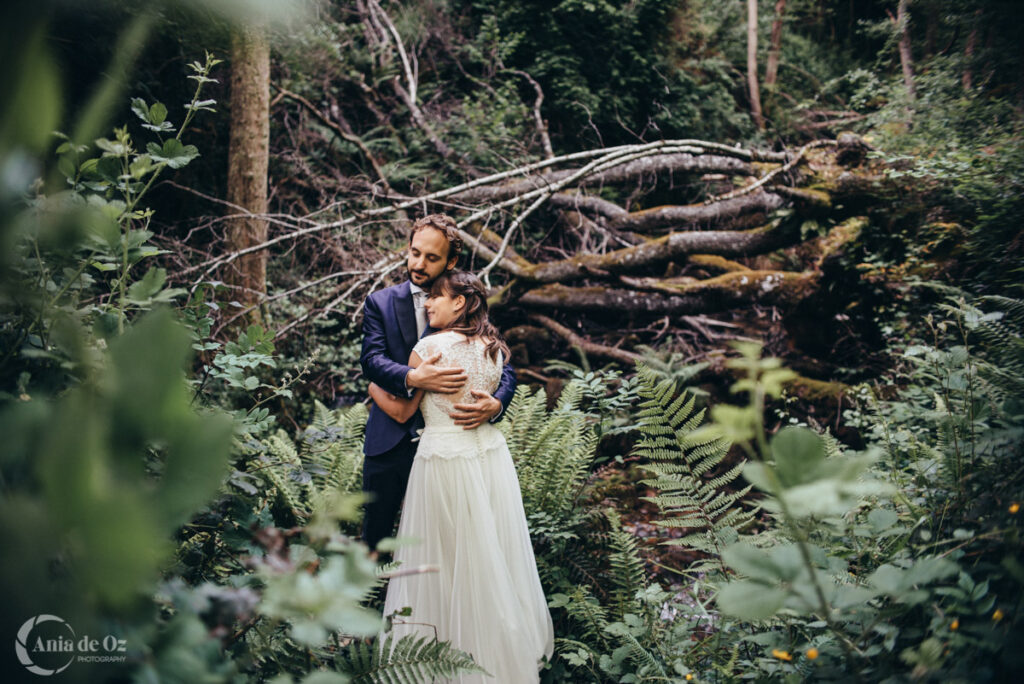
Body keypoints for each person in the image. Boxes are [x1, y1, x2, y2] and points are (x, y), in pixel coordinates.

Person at [368, 270, 554, 683]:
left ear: (461, 303)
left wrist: (373, 388)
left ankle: (436, 659)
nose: (429, 303)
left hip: (444, 461)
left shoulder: (428, 347)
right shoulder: (494, 348)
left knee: (440, 559)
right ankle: (497, 653)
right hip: (487, 455)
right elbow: (502, 380)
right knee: (490, 556)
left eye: (437, 297)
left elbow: (400, 412)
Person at [358, 214, 517, 553]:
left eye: (431, 258)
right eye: (415, 253)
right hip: (389, 438)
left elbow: (503, 362)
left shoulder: (465, 299)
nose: (419, 263)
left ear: (451, 261)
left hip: (452, 446)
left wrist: (497, 403)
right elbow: (370, 360)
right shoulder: (380, 303)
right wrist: (411, 377)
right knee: (377, 537)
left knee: (451, 543)